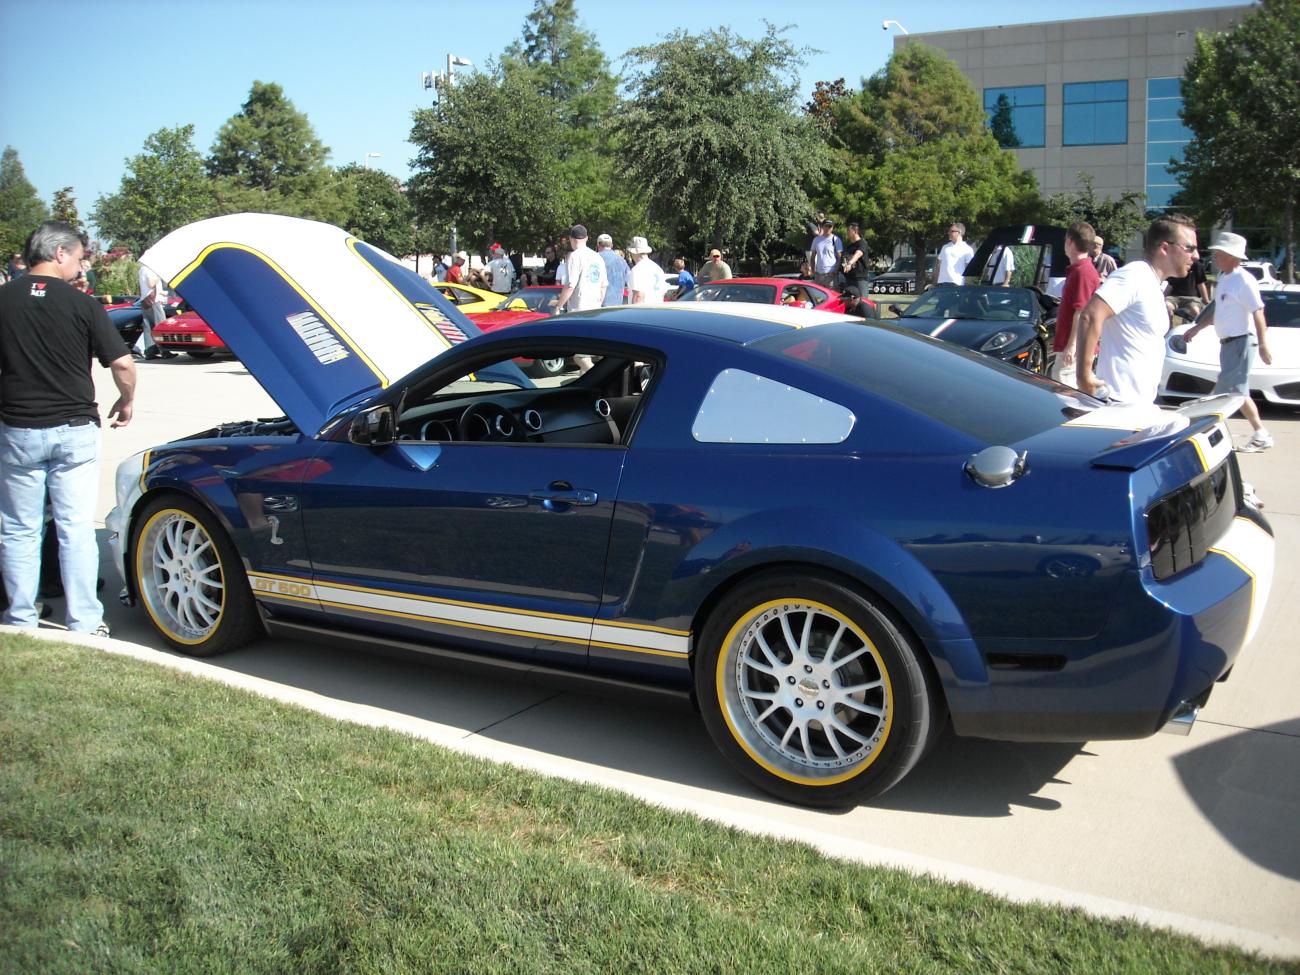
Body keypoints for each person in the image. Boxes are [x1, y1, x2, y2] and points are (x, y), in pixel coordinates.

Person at [0, 221, 136, 636]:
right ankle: (84, 621)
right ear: (59, 254)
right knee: (74, 527)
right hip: (74, 427)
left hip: (18, 427)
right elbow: (123, 363)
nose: (81, 266)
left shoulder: (3, 300)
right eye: (78, 257)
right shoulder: (83, 305)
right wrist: (126, 399)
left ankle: (21, 617)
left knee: (19, 529)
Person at [1075, 214, 1199, 404]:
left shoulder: (1153, 284)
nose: (1196, 256)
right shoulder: (1134, 275)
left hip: (1138, 404)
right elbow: (1090, 316)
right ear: (1165, 248)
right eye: (1189, 248)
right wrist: (1084, 378)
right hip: (1117, 404)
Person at [1181, 231, 1273, 452]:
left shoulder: (1243, 280)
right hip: (1229, 344)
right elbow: (1219, 312)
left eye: (1220, 253)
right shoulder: (1225, 279)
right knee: (1238, 392)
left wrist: (1263, 344)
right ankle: (1260, 434)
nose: (1215, 257)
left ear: (1233, 256)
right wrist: (1197, 327)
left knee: (1226, 393)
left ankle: (1203, 432)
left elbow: (1258, 312)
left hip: (1241, 342)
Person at [1051, 221, 1101, 387]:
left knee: (1063, 390)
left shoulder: (1083, 272)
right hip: (1075, 346)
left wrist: (1071, 346)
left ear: (1070, 242)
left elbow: (1081, 312)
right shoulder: (1079, 270)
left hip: (1075, 348)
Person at [556, 224, 606, 313]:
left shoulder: (574, 256)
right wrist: (598, 304)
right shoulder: (598, 257)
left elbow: (570, 286)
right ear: (586, 238)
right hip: (595, 310)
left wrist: (558, 307)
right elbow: (603, 286)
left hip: (578, 310)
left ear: (571, 239)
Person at [134, 261, 175, 360]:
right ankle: (165, 351)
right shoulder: (151, 270)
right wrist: (159, 276)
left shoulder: (142, 270)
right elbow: (151, 283)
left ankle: (149, 352)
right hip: (154, 301)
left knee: (148, 327)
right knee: (161, 326)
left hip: (145, 301)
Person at [1164, 249, 1210, 323]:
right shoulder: (1175, 265)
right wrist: (1162, 298)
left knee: (1195, 311)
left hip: (1192, 298)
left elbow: (1201, 284)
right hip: (1174, 297)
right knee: (1167, 307)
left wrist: (1206, 300)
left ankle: (1189, 330)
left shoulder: (1197, 265)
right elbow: (1170, 285)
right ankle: (1169, 331)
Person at [627, 237, 667, 304]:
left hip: (643, 311)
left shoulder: (637, 269)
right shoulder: (658, 269)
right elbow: (663, 293)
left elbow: (638, 296)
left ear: (635, 252)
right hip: (658, 310)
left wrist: (633, 313)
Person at [596, 233, 628, 306]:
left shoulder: (594, 258)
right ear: (612, 245)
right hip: (617, 305)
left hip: (598, 304)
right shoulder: (622, 260)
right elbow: (628, 281)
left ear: (598, 245)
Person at [810, 219, 843, 288]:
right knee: (818, 297)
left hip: (831, 275)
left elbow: (839, 258)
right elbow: (812, 257)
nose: (828, 228)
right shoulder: (816, 240)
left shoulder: (836, 239)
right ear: (822, 227)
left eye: (830, 227)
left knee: (833, 297)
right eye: (826, 226)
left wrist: (834, 272)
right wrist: (813, 271)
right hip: (818, 275)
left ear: (832, 228)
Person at [841, 223, 871, 297]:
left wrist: (850, 263)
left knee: (863, 300)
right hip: (849, 278)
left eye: (849, 230)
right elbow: (845, 259)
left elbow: (858, 253)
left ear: (854, 231)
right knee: (848, 300)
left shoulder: (862, 243)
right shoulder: (849, 246)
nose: (847, 232)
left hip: (860, 278)